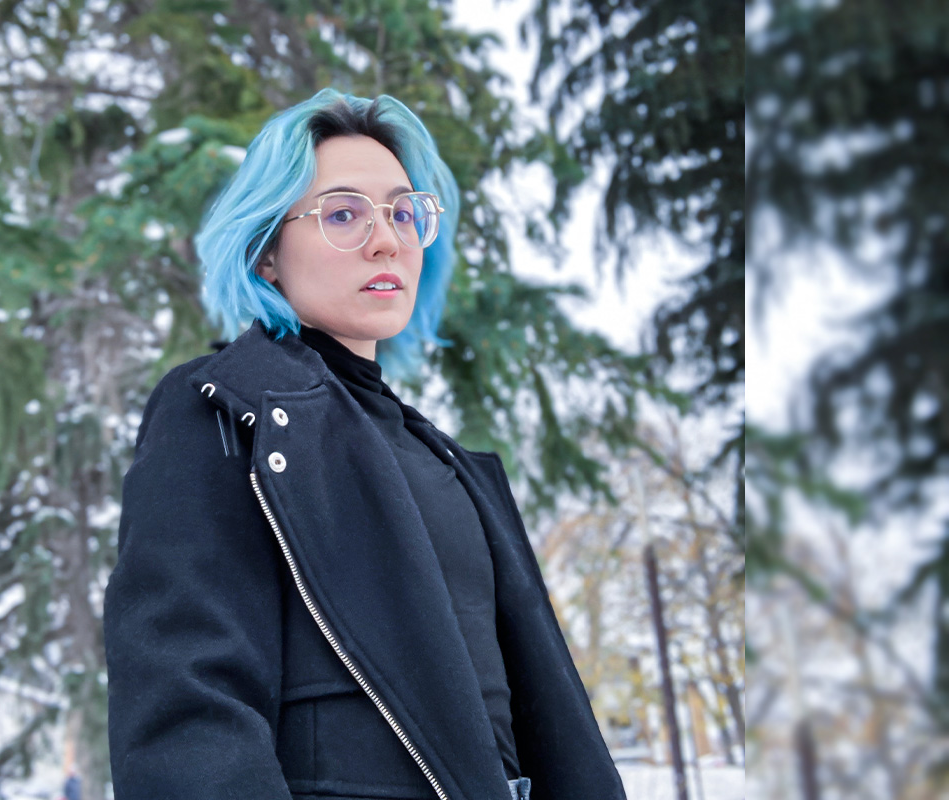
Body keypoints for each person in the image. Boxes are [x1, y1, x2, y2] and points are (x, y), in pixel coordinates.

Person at [103, 88, 626, 800]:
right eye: (343, 213)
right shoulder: (225, 406)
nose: (387, 239)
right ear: (265, 255)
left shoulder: (438, 454)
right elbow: (188, 703)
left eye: (404, 212)